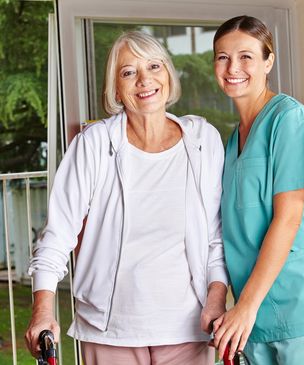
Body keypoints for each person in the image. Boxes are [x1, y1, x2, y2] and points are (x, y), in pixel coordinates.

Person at [25, 30, 228, 365]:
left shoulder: (203, 139)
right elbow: (58, 234)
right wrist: (42, 310)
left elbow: (214, 238)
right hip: (111, 330)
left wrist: (216, 298)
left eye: (153, 67)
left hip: (187, 326)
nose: (143, 80)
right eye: (128, 72)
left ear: (168, 75)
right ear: (116, 89)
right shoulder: (93, 144)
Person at [211, 15, 304, 365]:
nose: (233, 67)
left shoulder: (288, 120)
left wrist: (244, 307)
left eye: (246, 56)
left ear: (268, 60)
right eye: (223, 57)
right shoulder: (232, 142)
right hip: (258, 320)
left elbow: (288, 219)